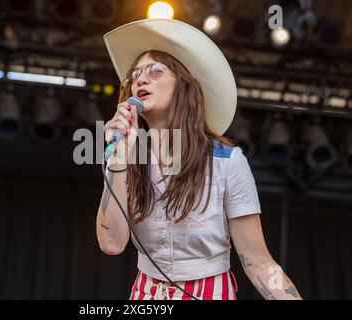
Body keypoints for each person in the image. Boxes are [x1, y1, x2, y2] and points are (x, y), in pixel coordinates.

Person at [96, 18, 301, 300]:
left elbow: (260, 263)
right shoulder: (129, 160)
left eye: (155, 70)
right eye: (135, 74)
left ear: (183, 85)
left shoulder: (227, 162)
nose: (140, 79)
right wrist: (118, 158)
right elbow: (111, 244)